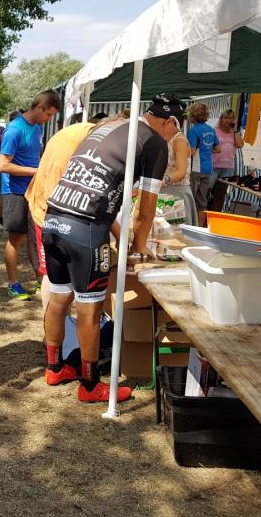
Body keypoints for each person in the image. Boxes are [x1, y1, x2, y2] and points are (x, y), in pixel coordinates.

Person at [43, 94, 184, 403]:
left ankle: (54, 368)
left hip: (53, 219)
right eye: (177, 130)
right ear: (170, 122)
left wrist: (122, 237)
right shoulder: (154, 143)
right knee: (89, 310)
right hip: (86, 228)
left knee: (59, 299)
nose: (174, 138)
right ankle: (90, 386)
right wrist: (139, 245)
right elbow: (146, 208)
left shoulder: (111, 125)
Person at [24, 118, 101, 314]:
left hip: (53, 210)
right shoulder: (81, 142)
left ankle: (58, 324)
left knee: (59, 274)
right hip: (47, 212)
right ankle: (51, 327)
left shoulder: (82, 135)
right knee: (52, 275)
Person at [0, 91, 60, 301]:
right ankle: (13, 283)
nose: (49, 119)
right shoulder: (14, 130)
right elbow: (3, 165)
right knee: (16, 238)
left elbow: (35, 156)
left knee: (36, 237)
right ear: (40, 107)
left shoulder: (37, 128)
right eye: (49, 114)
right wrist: (37, 171)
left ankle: (41, 279)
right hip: (15, 192)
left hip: (34, 189)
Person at [186, 102, 220, 226]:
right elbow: (218, 149)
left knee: (189, 199)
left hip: (196, 169)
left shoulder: (193, 130)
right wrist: (206, 150)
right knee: (202, 201)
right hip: (208, 168)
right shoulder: (211, 129)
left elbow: (192, 152)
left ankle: (188, 226)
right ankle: (200, 227)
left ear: (194, 115)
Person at [160, 115, 197, 225]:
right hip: (166, 192)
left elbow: (181, 172)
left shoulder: (179, 141)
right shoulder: (167, 140)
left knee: (176, 232)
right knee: (166, 231)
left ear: (171, 122)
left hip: (176, 194)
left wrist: (165, 179)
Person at [209, 108, 244, 212]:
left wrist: (235, 130)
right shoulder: (214, 131)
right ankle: (204, 215)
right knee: (207, 192)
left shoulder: (235, 133)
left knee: (220, 194)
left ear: (234, 120)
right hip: (213, 166)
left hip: (228, 168)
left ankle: (215, 216)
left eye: (230, 118)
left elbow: (240, 145)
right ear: (221, 119)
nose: (227, 120)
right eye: (225, 118)